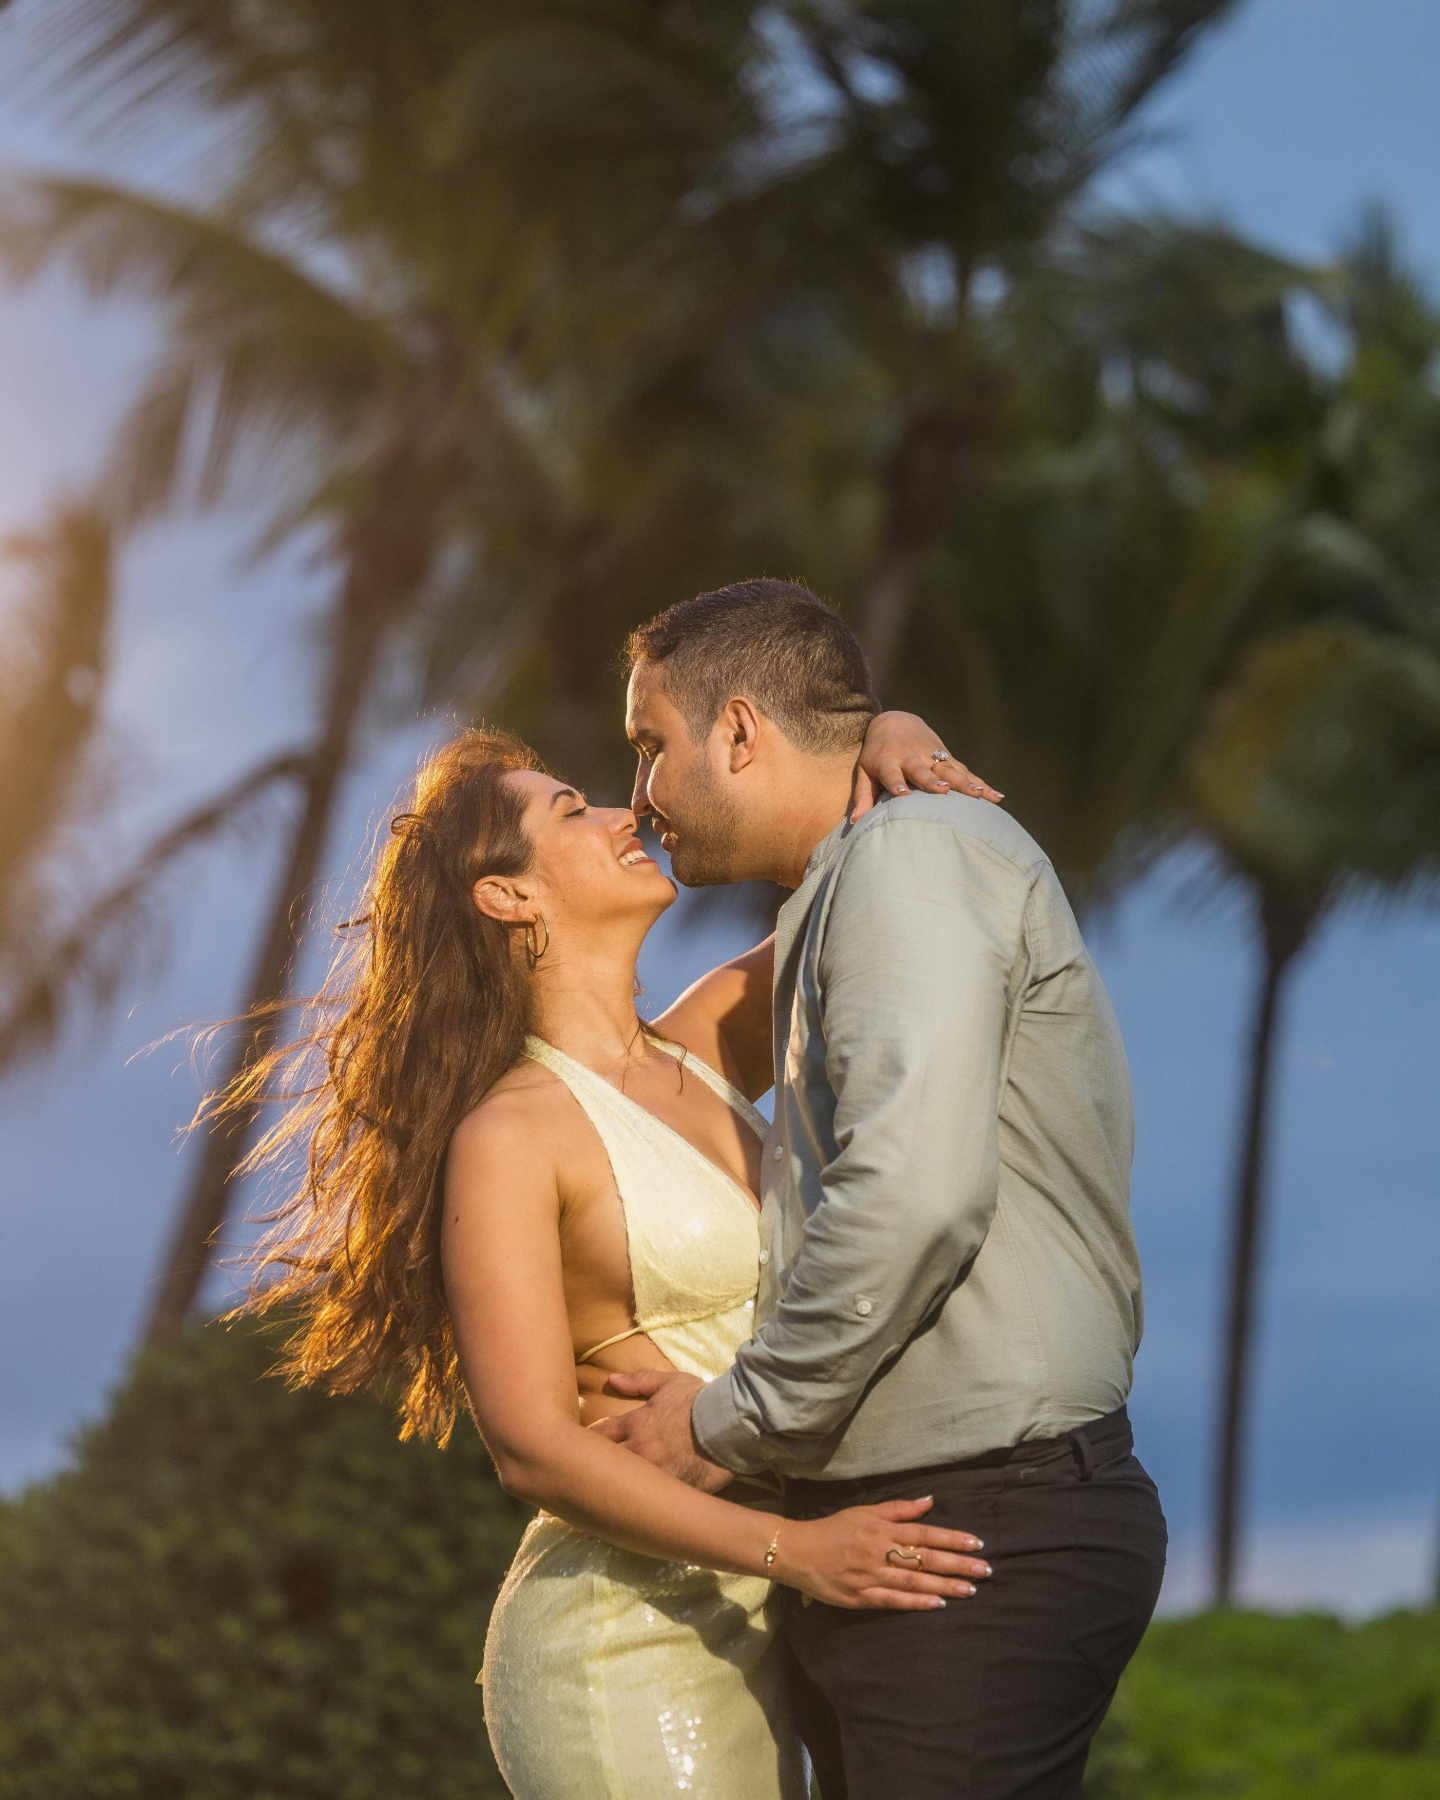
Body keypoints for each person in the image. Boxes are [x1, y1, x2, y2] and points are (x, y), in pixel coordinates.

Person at [224, 697, 1001, 1800]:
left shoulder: (707, 1049)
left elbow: (853, 884)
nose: (621, 810)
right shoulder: (509, 1135)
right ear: (509, 894)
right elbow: (533, 1446)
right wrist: (803, 1555)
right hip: (627, 1645)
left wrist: (887, 727)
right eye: (570, 809)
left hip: (770, 1622)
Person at [600, 578, 1168, 1800]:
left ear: (741, 731)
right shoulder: (854, 886)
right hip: (909, 1534)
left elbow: (912, 1196)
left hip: (976, 1538)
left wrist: (723, 1425)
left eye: (652, 746)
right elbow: (654, 1077)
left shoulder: (912, 862)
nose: (639, 797)